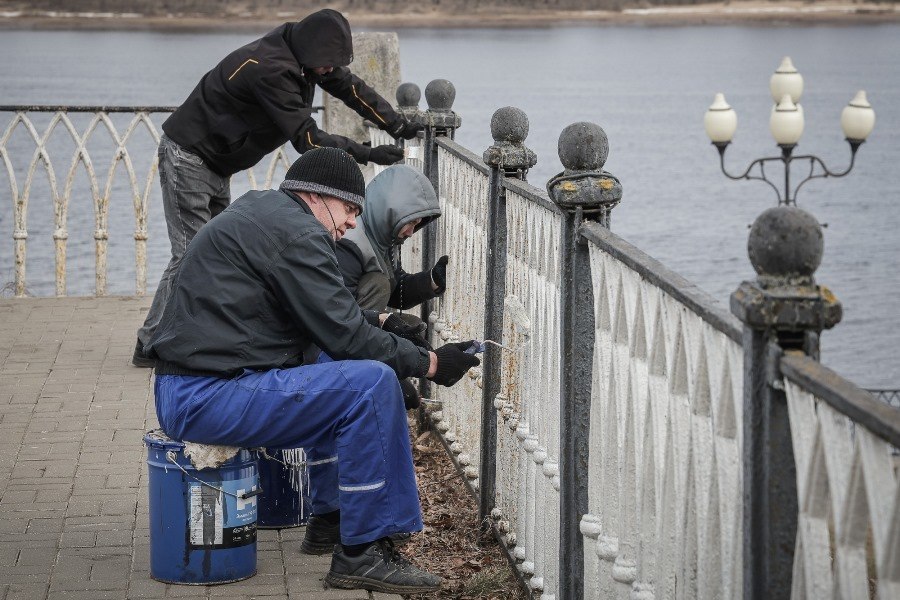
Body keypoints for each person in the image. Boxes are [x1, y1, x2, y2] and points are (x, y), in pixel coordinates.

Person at [147, 147, 479, 594]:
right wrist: (432, 364)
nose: (350, 224)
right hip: (204, 396)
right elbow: (346, 333)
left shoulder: (267, 213)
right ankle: (363, 551)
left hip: (193, 385)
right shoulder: (298, 236)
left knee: (338, 368)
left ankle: (333, 518)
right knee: (370, 385)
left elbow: (332, 320)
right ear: (316, 196)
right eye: (348, 210)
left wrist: (394, 334)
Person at [133, 8, 422, 366]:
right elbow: (308, 139)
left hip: (217, 162)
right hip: (189, 156)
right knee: (193, 253)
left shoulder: (305, 57)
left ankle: (191, 334)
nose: (329, 71)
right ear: (311, 50)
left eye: (333, 64)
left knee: (216, 252)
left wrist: (396, 124)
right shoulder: (269, 68)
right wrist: (368, 152)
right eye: (327, 64)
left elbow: (351, 88)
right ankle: (152, 343)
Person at [335, 164, 448, 410]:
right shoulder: (350, 245)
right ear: (390, 211)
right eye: (409, 222)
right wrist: (394, 379)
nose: (411, 231)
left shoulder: (381, 237)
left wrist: (431, 281)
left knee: (409, 323)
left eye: (417, 223)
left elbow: (394, 292)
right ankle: (365, 376)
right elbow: (339, 320)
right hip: (344, 345)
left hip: (357, 329)